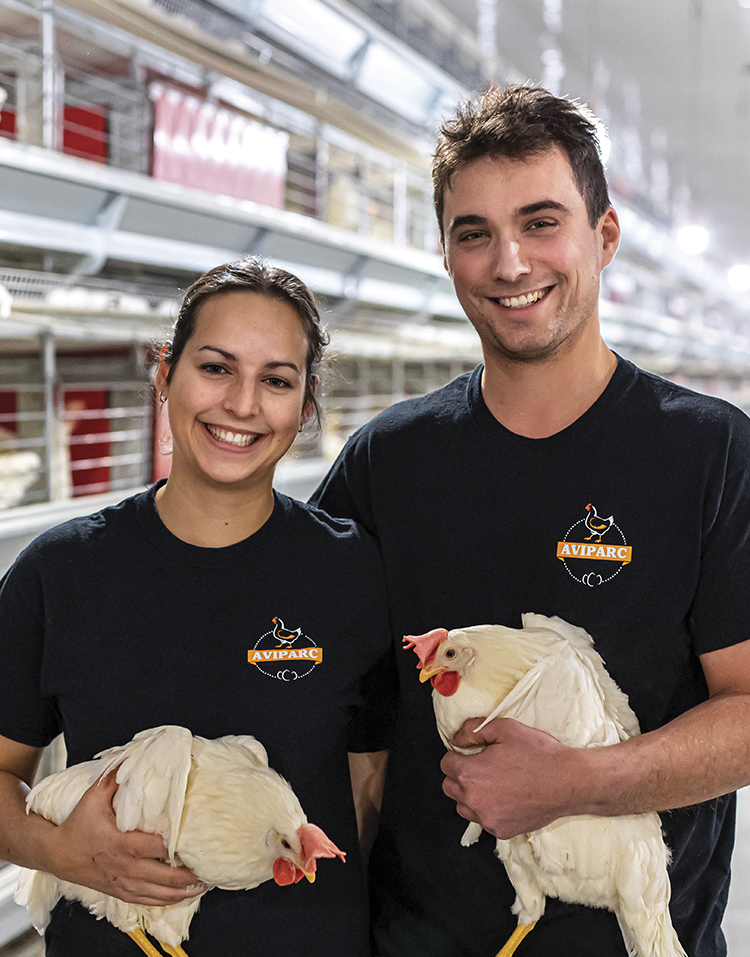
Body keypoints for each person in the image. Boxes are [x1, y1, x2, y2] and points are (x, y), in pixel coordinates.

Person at [311, 84, 750, 957]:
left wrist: (577, 780)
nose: (509, 262)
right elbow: (316, 688)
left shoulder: (711, 453)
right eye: (474, 233)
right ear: (446, 254)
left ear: (605, 236)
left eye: (541, 222)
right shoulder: (386, 462)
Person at [0, 258, 393, 956]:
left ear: (304, 409)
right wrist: (59, 850)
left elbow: (372, 785)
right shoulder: (59, 574)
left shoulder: (353, 572)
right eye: (216, 367)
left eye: (276, 380)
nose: (242, 403)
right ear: (165, 374)